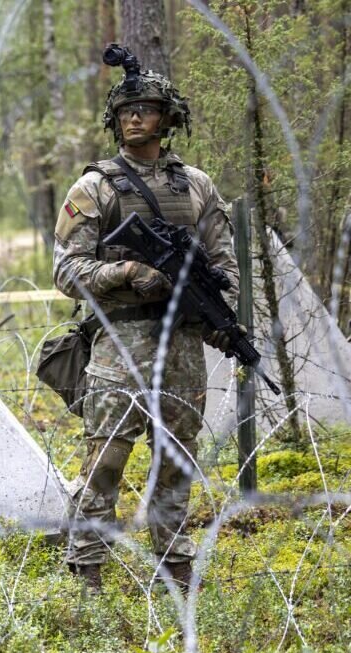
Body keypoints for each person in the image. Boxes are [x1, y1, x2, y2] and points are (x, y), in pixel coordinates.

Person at [52, 46, 240, 592]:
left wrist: (210, 309)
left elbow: (223, 263)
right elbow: (67, 272)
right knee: (107, 455)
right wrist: (128, 271)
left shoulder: (197, 185)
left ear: (167, 119)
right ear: (114, 121)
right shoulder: (95, 187)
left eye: (148, 109)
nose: (136, 117)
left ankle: (175, 562)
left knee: (177, 459)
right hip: (118, 342)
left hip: (180, 344)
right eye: (127, 110)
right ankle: (87, 566)